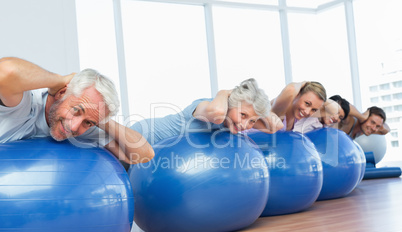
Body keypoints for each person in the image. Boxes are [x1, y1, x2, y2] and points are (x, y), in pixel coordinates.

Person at [0, 57, 154, 164]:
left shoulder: (86, 129)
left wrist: (100, 119)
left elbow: (143, 155)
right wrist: (58, 81)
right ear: (61, 93)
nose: (73, 127)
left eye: (88, 122)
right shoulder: (27, 104)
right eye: (76, 111)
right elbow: (5, 71)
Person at [130, 78, 283, 146]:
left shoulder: (232, 121)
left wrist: (260, 104)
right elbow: (217, 115)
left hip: (158, 152)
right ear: (230, 103)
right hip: (143, 137)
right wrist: (224, 92)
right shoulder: (207, 106)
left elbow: (275, 126)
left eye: (252, 121)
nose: (245, 125)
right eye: (243, 114)